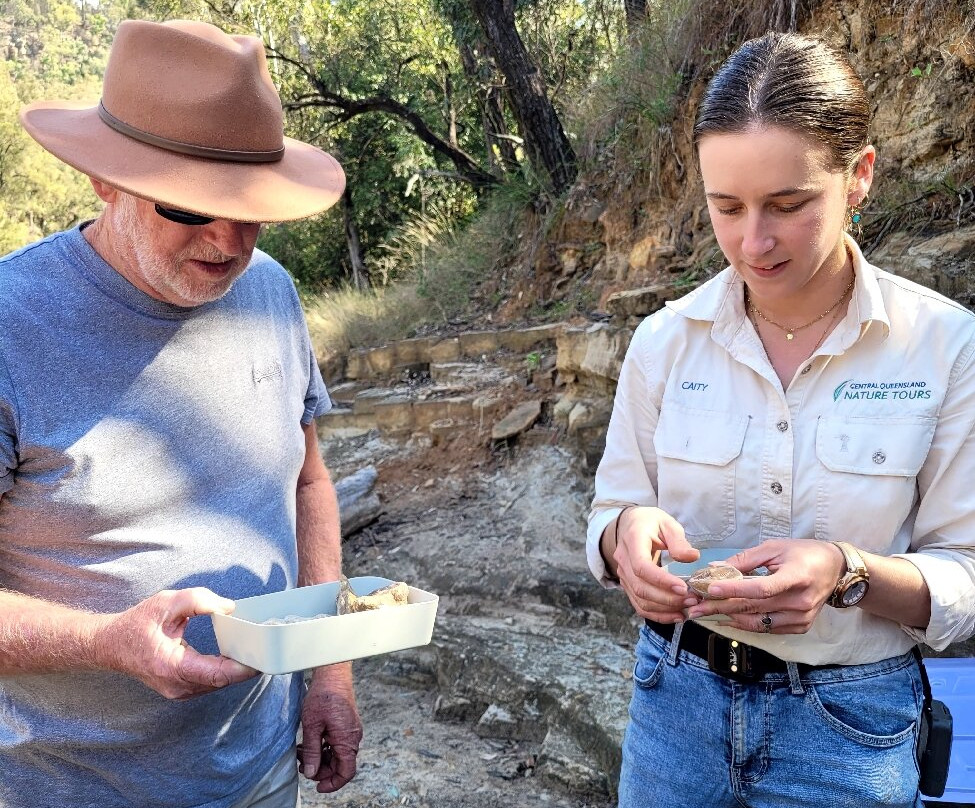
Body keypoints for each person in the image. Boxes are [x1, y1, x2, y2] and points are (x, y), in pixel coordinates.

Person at [587, 31, 975, 808]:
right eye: (724, 207)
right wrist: (622, 541)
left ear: (858, 176)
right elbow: (610, 509)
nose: (751, 242)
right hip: (671, 704)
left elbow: (965, 571)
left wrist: (847, 573)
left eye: (788, 206)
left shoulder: (943, 346)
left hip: (849, 727)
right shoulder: (665, 341)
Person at [0, 19, 361, 808]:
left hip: (262, 772)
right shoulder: (8, 327)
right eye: (188, 210)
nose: (229, 243)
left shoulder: (269, 292)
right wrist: (102, 642)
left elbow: (305, 484)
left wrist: (329, 672)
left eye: (251, 209)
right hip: (73, 789)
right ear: (103, 180)